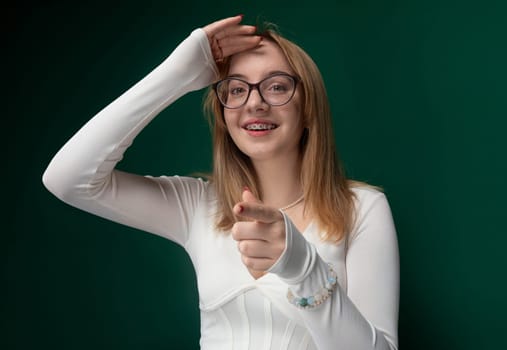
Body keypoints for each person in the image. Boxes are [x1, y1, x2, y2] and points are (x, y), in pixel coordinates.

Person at [43, 15, 399, 350]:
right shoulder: (197, 205)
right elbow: (68, 179)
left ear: (307, 108)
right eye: (236, 89)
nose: (255, 103)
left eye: (276, 87)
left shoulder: (361, 208)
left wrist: (303, 266)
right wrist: (175, 76)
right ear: (223, 113)